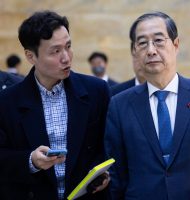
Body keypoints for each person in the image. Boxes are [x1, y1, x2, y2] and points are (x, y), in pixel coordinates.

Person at [105, 11, 190, 200]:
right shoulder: (119, 105)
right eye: (142, 43)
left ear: (176, 44)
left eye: (159, 40)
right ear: (135, 51)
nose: (151, 50)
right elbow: (116, 177)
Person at [0, 11, 110, 200]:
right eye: (55, 51)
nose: (66, 57)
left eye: (68, 46)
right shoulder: (7, 101)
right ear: (30, 56)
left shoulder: (96, 91)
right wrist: (31, 161)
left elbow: (108, 144)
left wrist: (104, 173)